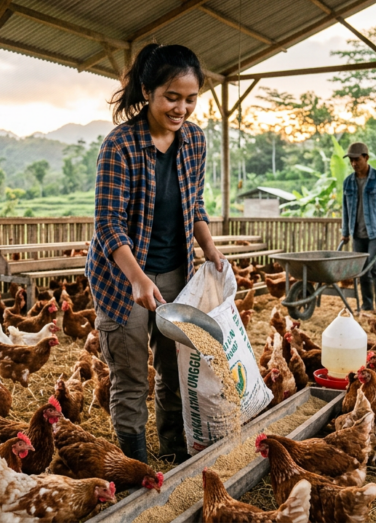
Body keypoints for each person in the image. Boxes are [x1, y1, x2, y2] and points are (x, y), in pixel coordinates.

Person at [85, 43, 225, 464]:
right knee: (131, 378)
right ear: (147, 92)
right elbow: (108, 224)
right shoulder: (120, 145)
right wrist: (137, 278)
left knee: (174, 370)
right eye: (172, 97)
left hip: (176, 274)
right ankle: (135, 470)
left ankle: (175, 455)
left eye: (191, 99)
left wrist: (210, 249)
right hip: (121, 278)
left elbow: (194, 204)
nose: (182, 108)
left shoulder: (194, 141)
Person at [340, 142, 376, 310]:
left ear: (366, 157)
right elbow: (345, 209)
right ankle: (367, 304)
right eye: (351, 160)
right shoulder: (348, 182)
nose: (354, 163)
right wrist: (345, 232)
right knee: (362, 269)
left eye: (357, 159)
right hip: (357, 233)